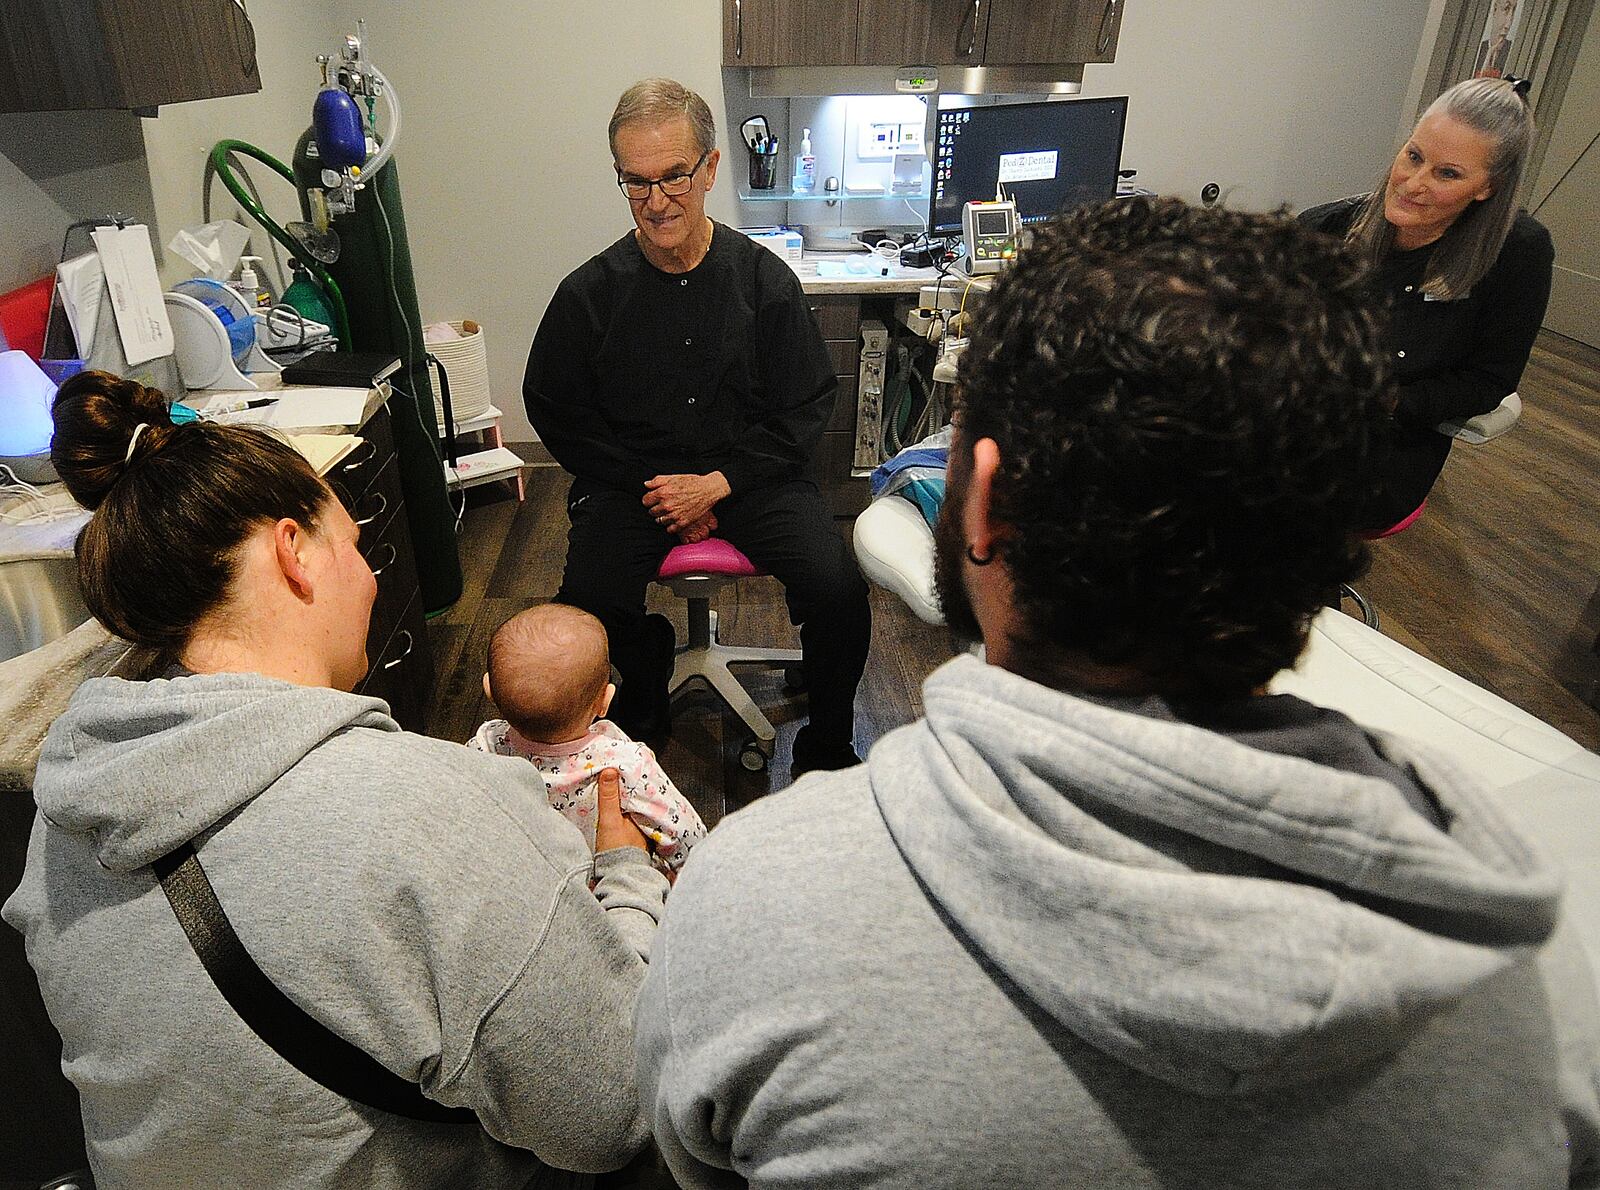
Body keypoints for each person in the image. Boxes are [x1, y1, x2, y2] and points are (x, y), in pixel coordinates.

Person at [632, 199, 1600, 1188]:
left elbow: (685, 1157)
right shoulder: (1531, 987)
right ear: (1328, 528)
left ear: (986, 503)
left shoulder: (754, 909)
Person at [3, 372, 668, 1187]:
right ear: (295, 553)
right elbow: (613, 1110)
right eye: (353, 544)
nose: (371, 574)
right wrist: (627, 878)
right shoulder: (429, 811)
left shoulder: (65, 815)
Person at [523, 78, 870, 775]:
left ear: (710, 168)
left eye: (674, 177)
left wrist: (716, 484)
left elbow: (805, 403)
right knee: (586, 604)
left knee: (838, 588)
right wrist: (656, 489)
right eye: (636, 182)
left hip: (750, 475)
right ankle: (642, 675)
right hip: (634, 482)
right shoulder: (587, 295)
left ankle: (827, 744)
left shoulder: (764, 282)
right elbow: (554, 408)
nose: (657, 202)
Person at [1300, 75, 1553, 531]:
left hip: (1387, 444)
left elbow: (1487, 380)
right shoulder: (1325, 228)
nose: (1413, 184)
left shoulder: (1517, 253)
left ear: (1487, 187)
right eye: (1414, 156)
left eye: (1447, 173)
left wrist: (1386, 401)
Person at [468, 603, 707, 877]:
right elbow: (686, 833)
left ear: (489, 690)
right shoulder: (625, 765)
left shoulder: (482, 748)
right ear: (604, 701)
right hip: (607, 885)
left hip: (527, 881)